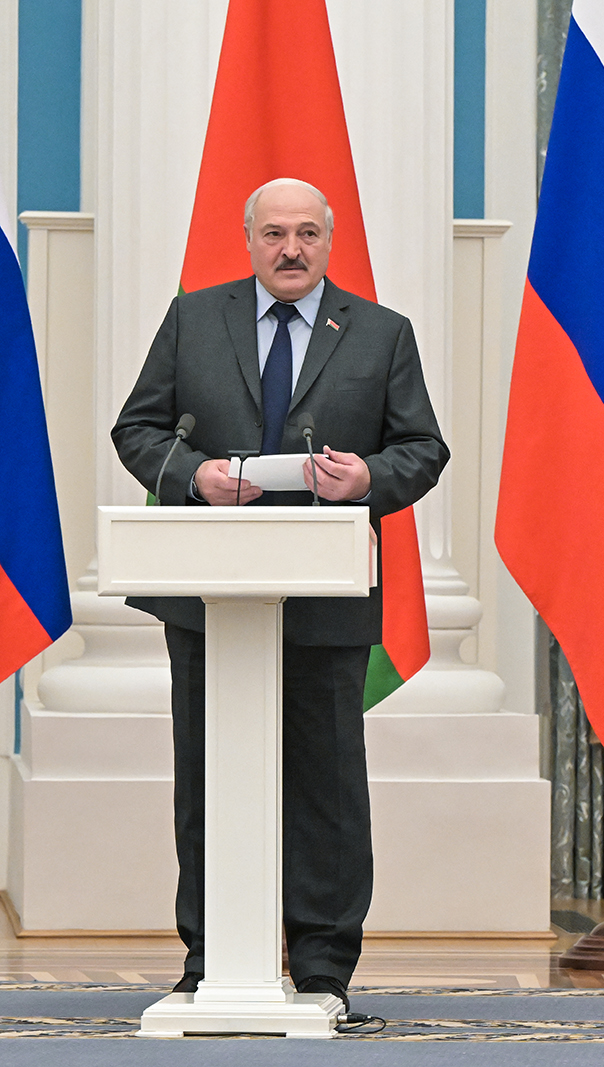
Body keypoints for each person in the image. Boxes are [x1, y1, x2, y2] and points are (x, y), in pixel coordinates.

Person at [111, 177, 449, 1012]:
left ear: (328, 241)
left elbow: (423, 448)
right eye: (274, 234)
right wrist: (195, 476)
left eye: (305, 233)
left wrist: (368, 475)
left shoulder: (380, 333)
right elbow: (139, 430)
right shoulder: (194, 318)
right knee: (206, 776)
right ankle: (210, 959)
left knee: (325, 789)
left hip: (327, 592)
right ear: (249, 240)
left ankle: (325, 969)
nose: (290, 248)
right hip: (208, 594)